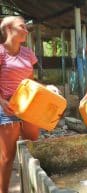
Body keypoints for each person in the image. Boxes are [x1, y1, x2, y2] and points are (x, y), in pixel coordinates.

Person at [0, 16, 40, 193]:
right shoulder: (0, 52)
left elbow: (31, 82)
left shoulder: (28, 53)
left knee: (32, 152)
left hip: (29, 108)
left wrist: (48, 89)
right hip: (8, 108)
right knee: (7, 158)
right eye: (22, 26)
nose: (26, 30)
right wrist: (1, 101)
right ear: (9, 29)